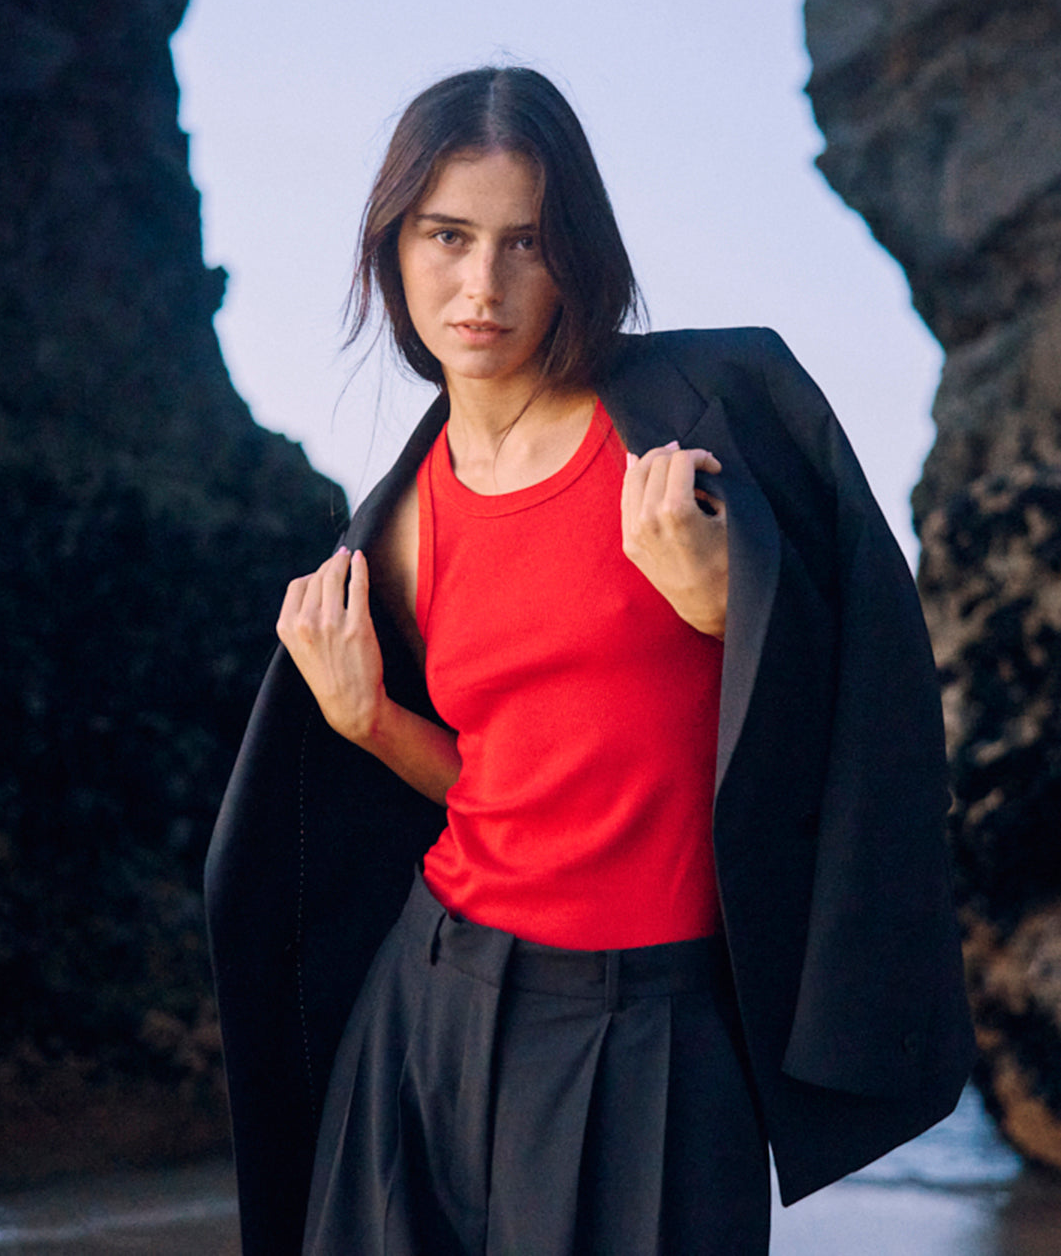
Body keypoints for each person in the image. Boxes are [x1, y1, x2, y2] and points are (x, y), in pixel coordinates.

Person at [205, 67, 975, 1256]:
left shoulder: (705, 427)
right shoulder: (402, 520)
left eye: (526, 242)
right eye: (446, 236)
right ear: (392, 245)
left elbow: (866, 717)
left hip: (651, 1040)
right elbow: (505, 783)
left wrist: (728, 611)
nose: (481, 285)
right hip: (429, 1003)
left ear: (578, 256)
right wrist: (368, 725)